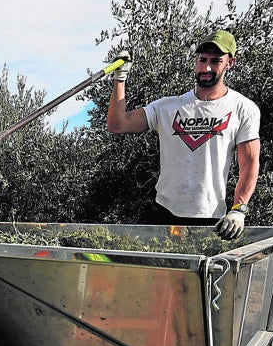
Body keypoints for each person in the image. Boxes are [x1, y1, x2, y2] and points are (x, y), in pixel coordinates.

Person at [105, 30, 260, 240]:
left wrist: (238, 209)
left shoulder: (243, 108)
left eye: (215, 61)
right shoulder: (167, 107)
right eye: (202, 60)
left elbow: (249, 162)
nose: (206, 68)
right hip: (163, 215)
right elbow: (118, 125)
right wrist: (120, 79)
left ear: (230, 63)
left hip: (210, 220)